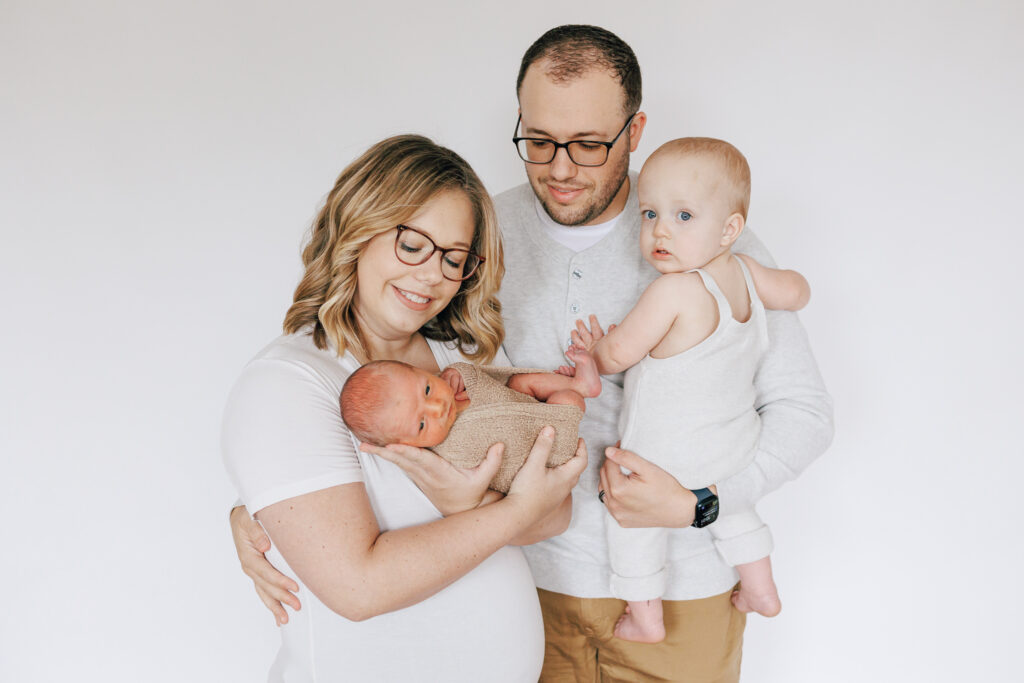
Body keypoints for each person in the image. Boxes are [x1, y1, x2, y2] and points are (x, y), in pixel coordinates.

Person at [232, 25, 833, 682]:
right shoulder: (475, 233)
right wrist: (267, 508)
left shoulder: (708, 240)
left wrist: (703, 503)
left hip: (680, 590)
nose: (562, 166)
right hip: (531, 588)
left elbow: (804, 413)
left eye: (589, 144)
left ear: (635, 132)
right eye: (540, 141)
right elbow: (378, 387)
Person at [221, 134, 586, 682]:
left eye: (455, 258)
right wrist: (507, 511)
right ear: (358, 230)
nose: (433, 275)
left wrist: (469, 503)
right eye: (412, 245)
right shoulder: (289, 382)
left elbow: (554, 510)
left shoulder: (460, 359)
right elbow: (358, 587)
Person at [570, 137, 810, 643]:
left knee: (629, 519)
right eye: (650, 213)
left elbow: (618, 355)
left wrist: (596, 350)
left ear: (730, 229)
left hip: (665, 455)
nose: (660, 231)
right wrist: (791, 281)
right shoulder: (746, 273)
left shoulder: (673, 290)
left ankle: (644, 615)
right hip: (732, 444)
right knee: (736, 511)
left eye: (683, 217)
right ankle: (761, 587)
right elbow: (796, 292)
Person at [339, 351, 601, 492]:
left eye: (428, 389)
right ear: (408, 446)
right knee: (568, 402)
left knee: (520, 382)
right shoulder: (451, 453)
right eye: (421, 424)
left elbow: (483, 378)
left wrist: (458, 373)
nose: (438, 407)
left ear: (423, 371)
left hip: (520, 402)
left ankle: (582, 384)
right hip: (544, 448)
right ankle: (574, 392)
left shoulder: (451, 387)